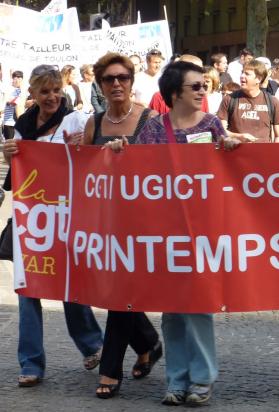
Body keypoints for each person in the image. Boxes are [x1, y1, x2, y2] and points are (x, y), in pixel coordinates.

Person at [106, 61, 239, 406]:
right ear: (175, 92)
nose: (202, 91)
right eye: (195, 86)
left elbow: (233, 169)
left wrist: (234, 148)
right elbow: (135, 170)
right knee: (172, 311)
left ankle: (202, 380)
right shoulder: (153, 129)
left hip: (202, 232)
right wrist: (119, 152)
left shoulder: (212, 125)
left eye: (204, 85)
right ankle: (177, 380)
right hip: (165, 234)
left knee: (198, 307)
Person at [2, 64, 103, 388]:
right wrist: (10, 152)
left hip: (66, 215)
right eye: (44, 91)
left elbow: (94, 162)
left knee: (69, 282)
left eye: (56, 90)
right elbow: (15, 177)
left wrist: (83, 146)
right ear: (31, 93)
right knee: (26, 290)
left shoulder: (75, 120)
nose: (52, 97)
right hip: (31, 219)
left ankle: (91, 343)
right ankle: (31, 363)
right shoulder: (23, 125)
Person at [81, 52, 162, 399]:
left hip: (143, 223)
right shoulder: (93, 124)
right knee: (120, 292)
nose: (117, 84)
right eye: (109, 79)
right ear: (100, 85)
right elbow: (81, 174)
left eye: (123, 78)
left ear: (132, 82)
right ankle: (149, 343)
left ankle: (110, 370)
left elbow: (167, 171)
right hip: (106, 224)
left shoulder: (152, 119)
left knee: (121, 294)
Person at [218, 59, 279, 143]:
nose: (242, 76)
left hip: (263, 155)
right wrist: (239, 137)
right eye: (242, 72)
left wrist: (274, 154)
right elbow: (220, 131)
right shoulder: (229, 99)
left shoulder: (272, 102)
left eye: (247, 74)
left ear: (259, 79)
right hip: (235, 154)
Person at [2, 70, 24, 140]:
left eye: (14, 79)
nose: (13, 81)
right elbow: (11, 102)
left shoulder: (22, 91)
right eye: (13, 79)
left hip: (16, 122)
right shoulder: (12, 90)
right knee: (9, 144)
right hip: (8, 122)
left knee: (15, 145)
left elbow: (20, 103)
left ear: (20, 79)